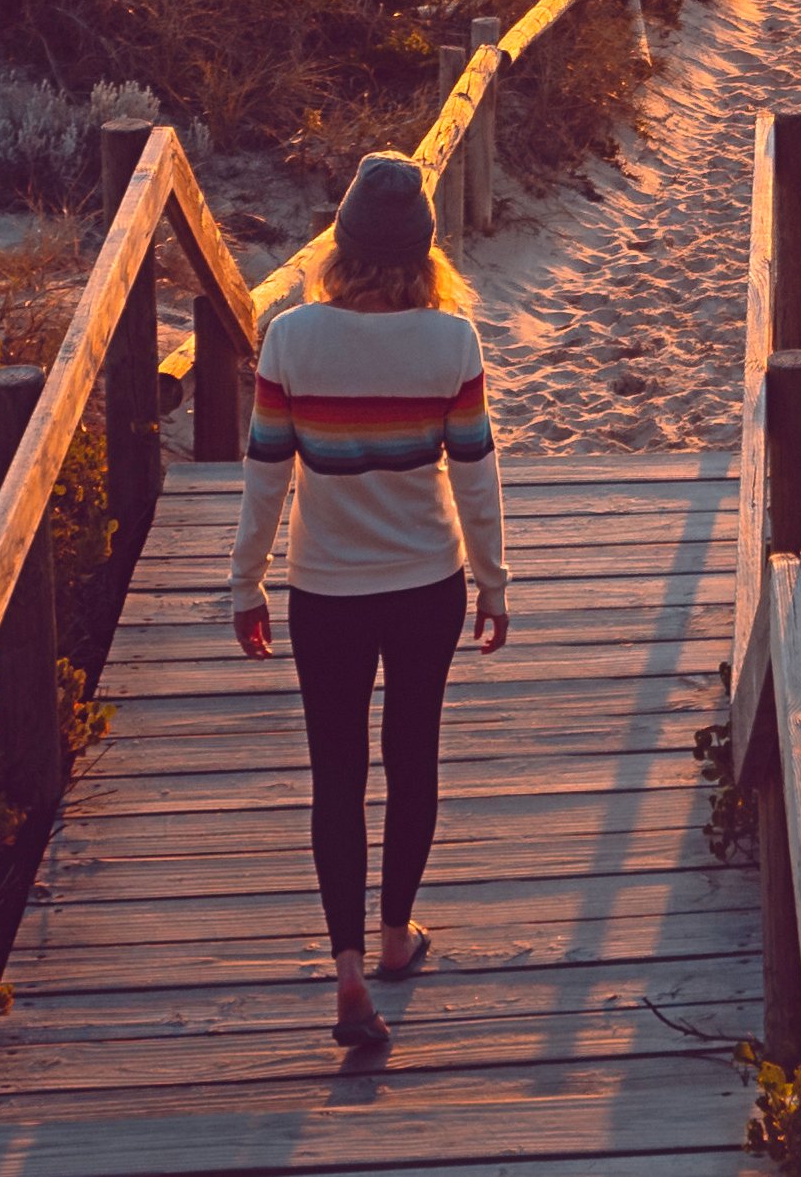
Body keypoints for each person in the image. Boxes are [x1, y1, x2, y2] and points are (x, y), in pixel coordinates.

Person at [226, 148, 514, 1054]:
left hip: (324, 589)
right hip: (425, 581)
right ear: (426, 252)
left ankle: (348, 969)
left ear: (340, 246)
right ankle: (397, 937)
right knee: (412, 757)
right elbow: (474, 477)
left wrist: (246, 582)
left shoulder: (291, 339)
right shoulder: (450, 344)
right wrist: (493, 578)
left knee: (337, 775)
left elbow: (265, 478)